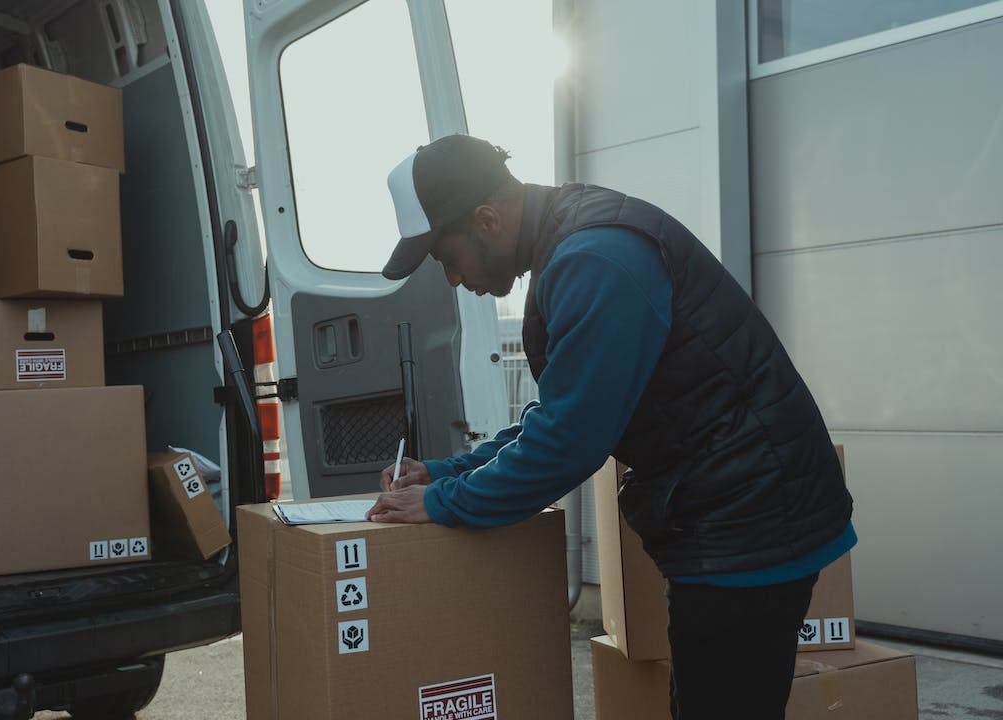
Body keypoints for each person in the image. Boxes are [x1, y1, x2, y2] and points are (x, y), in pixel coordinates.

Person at [365, 133, 855, 720]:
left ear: (488, 220)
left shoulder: (593, 259)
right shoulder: (571, 242)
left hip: (750, 523)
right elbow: (562, 413)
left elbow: (569, 444)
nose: (451, 278)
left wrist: (443, 501)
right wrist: (445, 471)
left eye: (447, 259)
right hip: (740, 511)